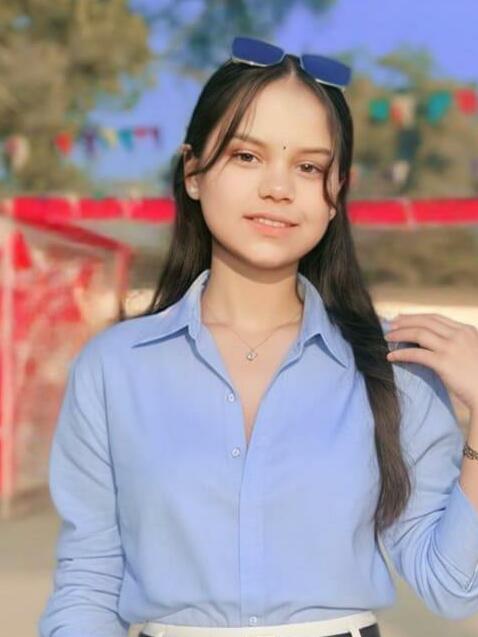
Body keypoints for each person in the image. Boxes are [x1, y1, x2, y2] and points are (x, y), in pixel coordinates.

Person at [39, 36, 478, 637]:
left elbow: (454, 588)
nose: (279, 188)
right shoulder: (113, 367)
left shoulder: (395, 366)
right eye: (247, 156)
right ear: (193, 171)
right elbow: (89, 585)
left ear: (336, 194)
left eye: (308, 167)